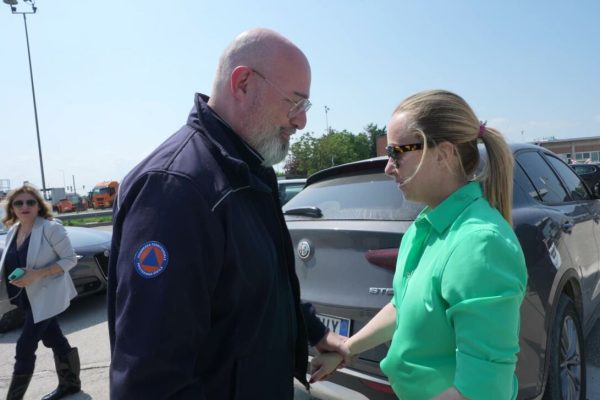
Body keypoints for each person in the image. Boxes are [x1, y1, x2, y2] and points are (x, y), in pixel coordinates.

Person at [107, 28, 346, 399]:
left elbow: (259, 289)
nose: (301, 122)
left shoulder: (246, 171)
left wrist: (316, 331)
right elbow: (151, 380)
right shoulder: (178, 189)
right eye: (295, 104)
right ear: (244, 83)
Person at [310, 90, 528, 400]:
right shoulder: (426, 226)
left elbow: (483, 390)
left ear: (444, 154)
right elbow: (403, 305)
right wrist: (346, 349)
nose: (388, 167)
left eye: (397, 153)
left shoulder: (481, 244)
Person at [0, 184, 81, 400]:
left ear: (38, 206)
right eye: (19, 203)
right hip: (26, 298)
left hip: (46, 297)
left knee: (24, 346)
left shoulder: (50, 228)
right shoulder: (13, 230)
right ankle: (71, 384)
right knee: (54, 338)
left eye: (30, 202)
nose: (24, 206)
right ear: (12, 208)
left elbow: (70, 260)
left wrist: (37, 274)